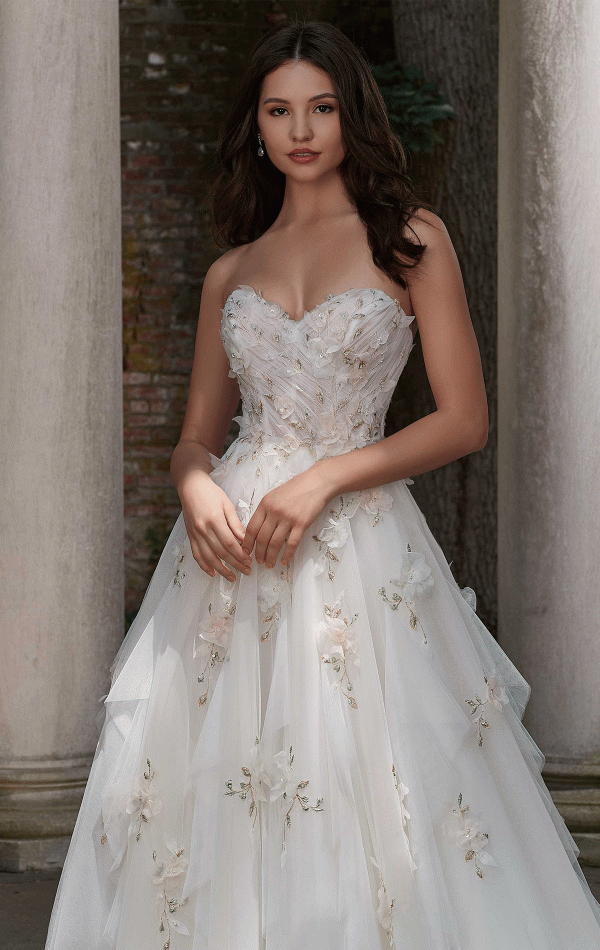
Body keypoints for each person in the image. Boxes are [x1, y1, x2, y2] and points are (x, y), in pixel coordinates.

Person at [45, 19, 600, 950]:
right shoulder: (233, 270)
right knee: (211, 784)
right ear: (256, 128)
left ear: (350, 117)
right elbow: (192, 440)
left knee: (363, 772)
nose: (301, 129)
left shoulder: (412, 240)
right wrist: (192, 485)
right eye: (279, 110)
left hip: (357, 544)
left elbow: (464, 420)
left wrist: (329, 478)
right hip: (226, 555)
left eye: (322, 107)